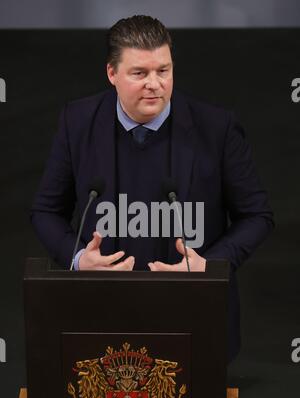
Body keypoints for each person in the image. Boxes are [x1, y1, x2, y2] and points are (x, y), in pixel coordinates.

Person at [31, 15, 274, 360]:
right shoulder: (78, 122)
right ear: (112, 74)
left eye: (163, 70)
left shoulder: (216, 127)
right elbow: (45, 211)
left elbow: (257, 215)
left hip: (194, 318)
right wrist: (78, 258)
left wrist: (210, 266)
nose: (155, 84)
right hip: (101, 317)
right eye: (140, 73)